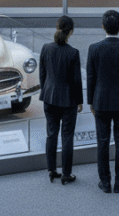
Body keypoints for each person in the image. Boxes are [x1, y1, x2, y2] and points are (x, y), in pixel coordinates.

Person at [86, 9, 119, 193]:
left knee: (103, 141)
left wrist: (90, 101)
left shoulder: (94, 48)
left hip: (100, 101)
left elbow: (90, 78)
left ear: (102, 26)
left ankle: (105, 182)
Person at [39, 15, 84, 185]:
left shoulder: (46, 48)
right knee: (67, 136)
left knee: (51, 134)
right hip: (68, 100)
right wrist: (79, 101)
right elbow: (76, 80)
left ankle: (51, 170)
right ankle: (66, 174)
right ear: (70, 32)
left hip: (49, 97)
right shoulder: (73, 53)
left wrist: (46, 90)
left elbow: (42, 75)